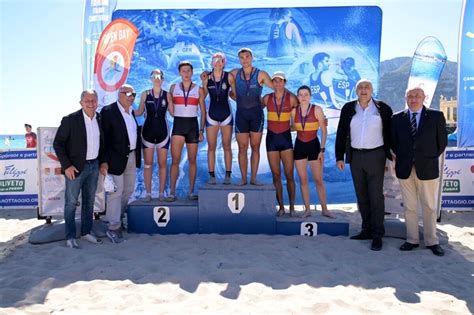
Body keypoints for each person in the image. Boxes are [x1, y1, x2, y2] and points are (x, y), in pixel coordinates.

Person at [335, 79, 393, 251]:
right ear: (356, 91)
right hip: (355, 156)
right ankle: (366, 230)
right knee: (362, 196)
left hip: (376, 155)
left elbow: (391, 132)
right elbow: (341, 133)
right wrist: (339, 156)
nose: (363, 90)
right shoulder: (348, 108)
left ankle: (377, 235)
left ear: (372, 90)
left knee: (376, 196)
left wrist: (392, 155)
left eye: (367, 87)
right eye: (360, 87)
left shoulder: (383, 108)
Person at [391, 87, 447, 256]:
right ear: (406, 98)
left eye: (417, 96)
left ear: (424, 98)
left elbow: (441, 143)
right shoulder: (396, 118)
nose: (413, 99)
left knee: (429, 206)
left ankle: (431, 241)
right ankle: (412, 240)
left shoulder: (436, 116)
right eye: (410, 96)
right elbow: (393, 142)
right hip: (404, 168)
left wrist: (425, 158)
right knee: (409, 207)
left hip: (427, 168)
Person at [53, 90, 105, 248]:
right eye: (87, 100)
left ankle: (86, 232)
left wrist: (103, 162)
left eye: (94, 100)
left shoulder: (100, 119)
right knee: (71, 203)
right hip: (75, 168)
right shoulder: (70, 120)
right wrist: (67, 165)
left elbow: (103, 143)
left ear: (97, 102)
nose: (91, 103)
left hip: (94, 166)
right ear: (81, 103)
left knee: (89, 202)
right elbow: (58, 144)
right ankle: (70, 237)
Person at [100, 84, 142, 243]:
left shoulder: (130, 112)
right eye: (129, 93)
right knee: (116, 192)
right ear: (120, 94)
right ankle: (113, 227)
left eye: (134, 94)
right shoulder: (108, 111)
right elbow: (103, 139)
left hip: (130, 156)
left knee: (128, 189)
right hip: (114, 159)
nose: (132, 97)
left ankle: (118, 217)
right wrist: (104, 161)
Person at [231, 47, 273, 185]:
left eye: (247, 57)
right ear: (239, 59)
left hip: (256, 115)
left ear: (252, 58)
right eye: (242, 58)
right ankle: (243, 179)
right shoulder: (234, 73)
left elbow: (277, 88)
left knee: (255, 147)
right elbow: (219, 80)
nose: (245, 60)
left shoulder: (261, 74)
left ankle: (253, 178)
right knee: (242, 148)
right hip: (241, 115)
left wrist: (294, 102)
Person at [292, 85, 334, 218]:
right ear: (297, 97)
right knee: (303, 180)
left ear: (310, 96)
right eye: (301, 94)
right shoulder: (294, 112)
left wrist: (322, 150)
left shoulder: (317, 109)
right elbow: (292, 128)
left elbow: (324, 130)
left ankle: (325, 209)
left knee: (318, 180)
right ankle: (307, 210)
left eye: (306, 94)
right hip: (299, 146)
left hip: (314, 147)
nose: (303, 97)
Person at [166, 61, 206, 201]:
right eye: (183, 71)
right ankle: (171, 192)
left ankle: (191, 191)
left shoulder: (198, 89)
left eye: (188, 70)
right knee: (175, 160)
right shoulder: (173, 88)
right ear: (179, 73)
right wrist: (170, 102)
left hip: (192, 127)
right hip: (178, 125)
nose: (186, 73)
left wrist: (201, 130)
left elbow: (203, 111)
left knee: (192, 160)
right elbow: (171, 113)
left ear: (192, 72)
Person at [262, 71, 298, 216]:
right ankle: (281, 207)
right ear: (272, 83)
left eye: (280, 80)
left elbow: (301, 116)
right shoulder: (266, 98)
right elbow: (251, 107)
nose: (277, 83)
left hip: (285, 139)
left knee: (289, 175)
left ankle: (292, 207)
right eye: (275, 81)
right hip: (271, 140)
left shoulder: (292, 99)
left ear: (285, 82)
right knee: (276, 175)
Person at [135, 69, 172, 202]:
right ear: (151, 79)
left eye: (159, 76)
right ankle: (148, 193)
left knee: (163, 163)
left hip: (163, 132)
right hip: (147, 132)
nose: (157, 78)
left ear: (163, 79)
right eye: (154, 76)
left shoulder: (168, 95)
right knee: (148, 164)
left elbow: (173, 113)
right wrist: (124, 110)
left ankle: (161, 193)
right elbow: (139, 111)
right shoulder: (145, 94)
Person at [201, 52, 236, 185]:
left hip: (226, 114)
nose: (217, 62)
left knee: (227, 146)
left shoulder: (229, 77)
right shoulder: (206, 77)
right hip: (212, 115)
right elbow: (203, 96)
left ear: (224, 63)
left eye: (220, 60)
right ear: (211, 63)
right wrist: (203, 84)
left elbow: (235, 94)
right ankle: (212, 176)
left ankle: (228, 175)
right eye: (214, 60)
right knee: (211, 147)